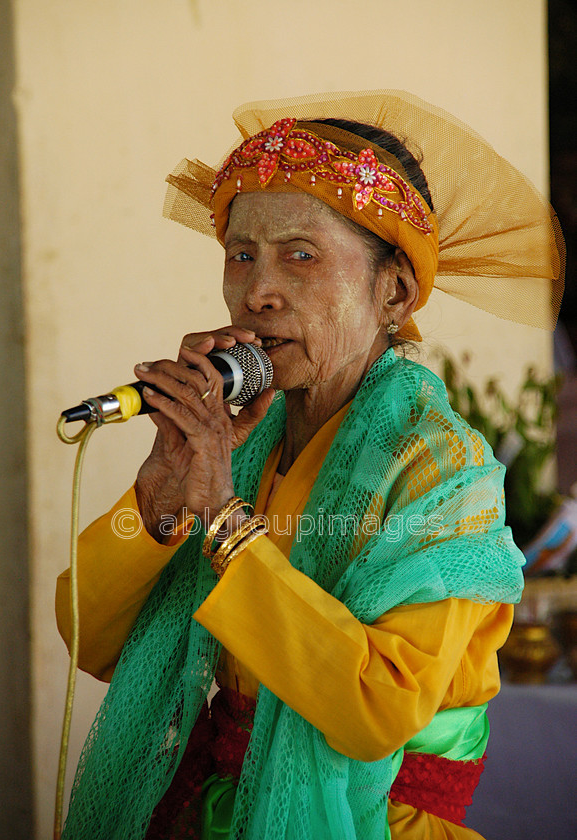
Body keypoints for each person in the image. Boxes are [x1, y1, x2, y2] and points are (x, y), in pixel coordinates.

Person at [56, 91, 563, 840]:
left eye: (302, 255)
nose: (258, 292)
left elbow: (375, 709)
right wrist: (163, 487)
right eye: (241, 254)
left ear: (392, 290)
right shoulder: (243, 439)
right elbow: (91, 640)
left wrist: (226, 522)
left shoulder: (443, 470)